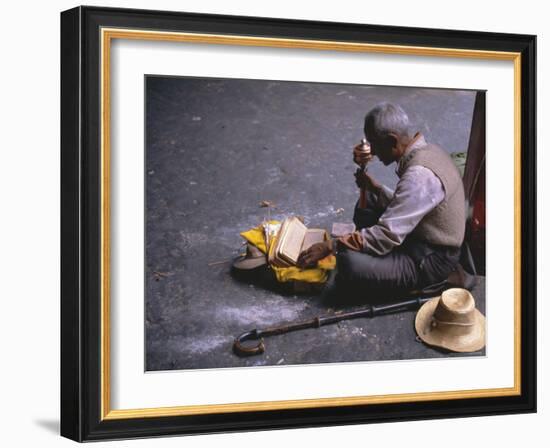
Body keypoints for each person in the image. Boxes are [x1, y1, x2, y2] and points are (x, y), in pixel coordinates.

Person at [297, 102, 466, 301]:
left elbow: (387, 235)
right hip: (419, 234)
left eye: (375, 144)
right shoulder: (428, 150)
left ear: (393, 141)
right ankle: (372, 254)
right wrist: (374, 187)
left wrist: (331, 246)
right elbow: (408, 205)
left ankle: (412, 279)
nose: (373, 153)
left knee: (348, 262)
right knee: (371, 198)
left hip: (431, 259)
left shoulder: (419, 176)